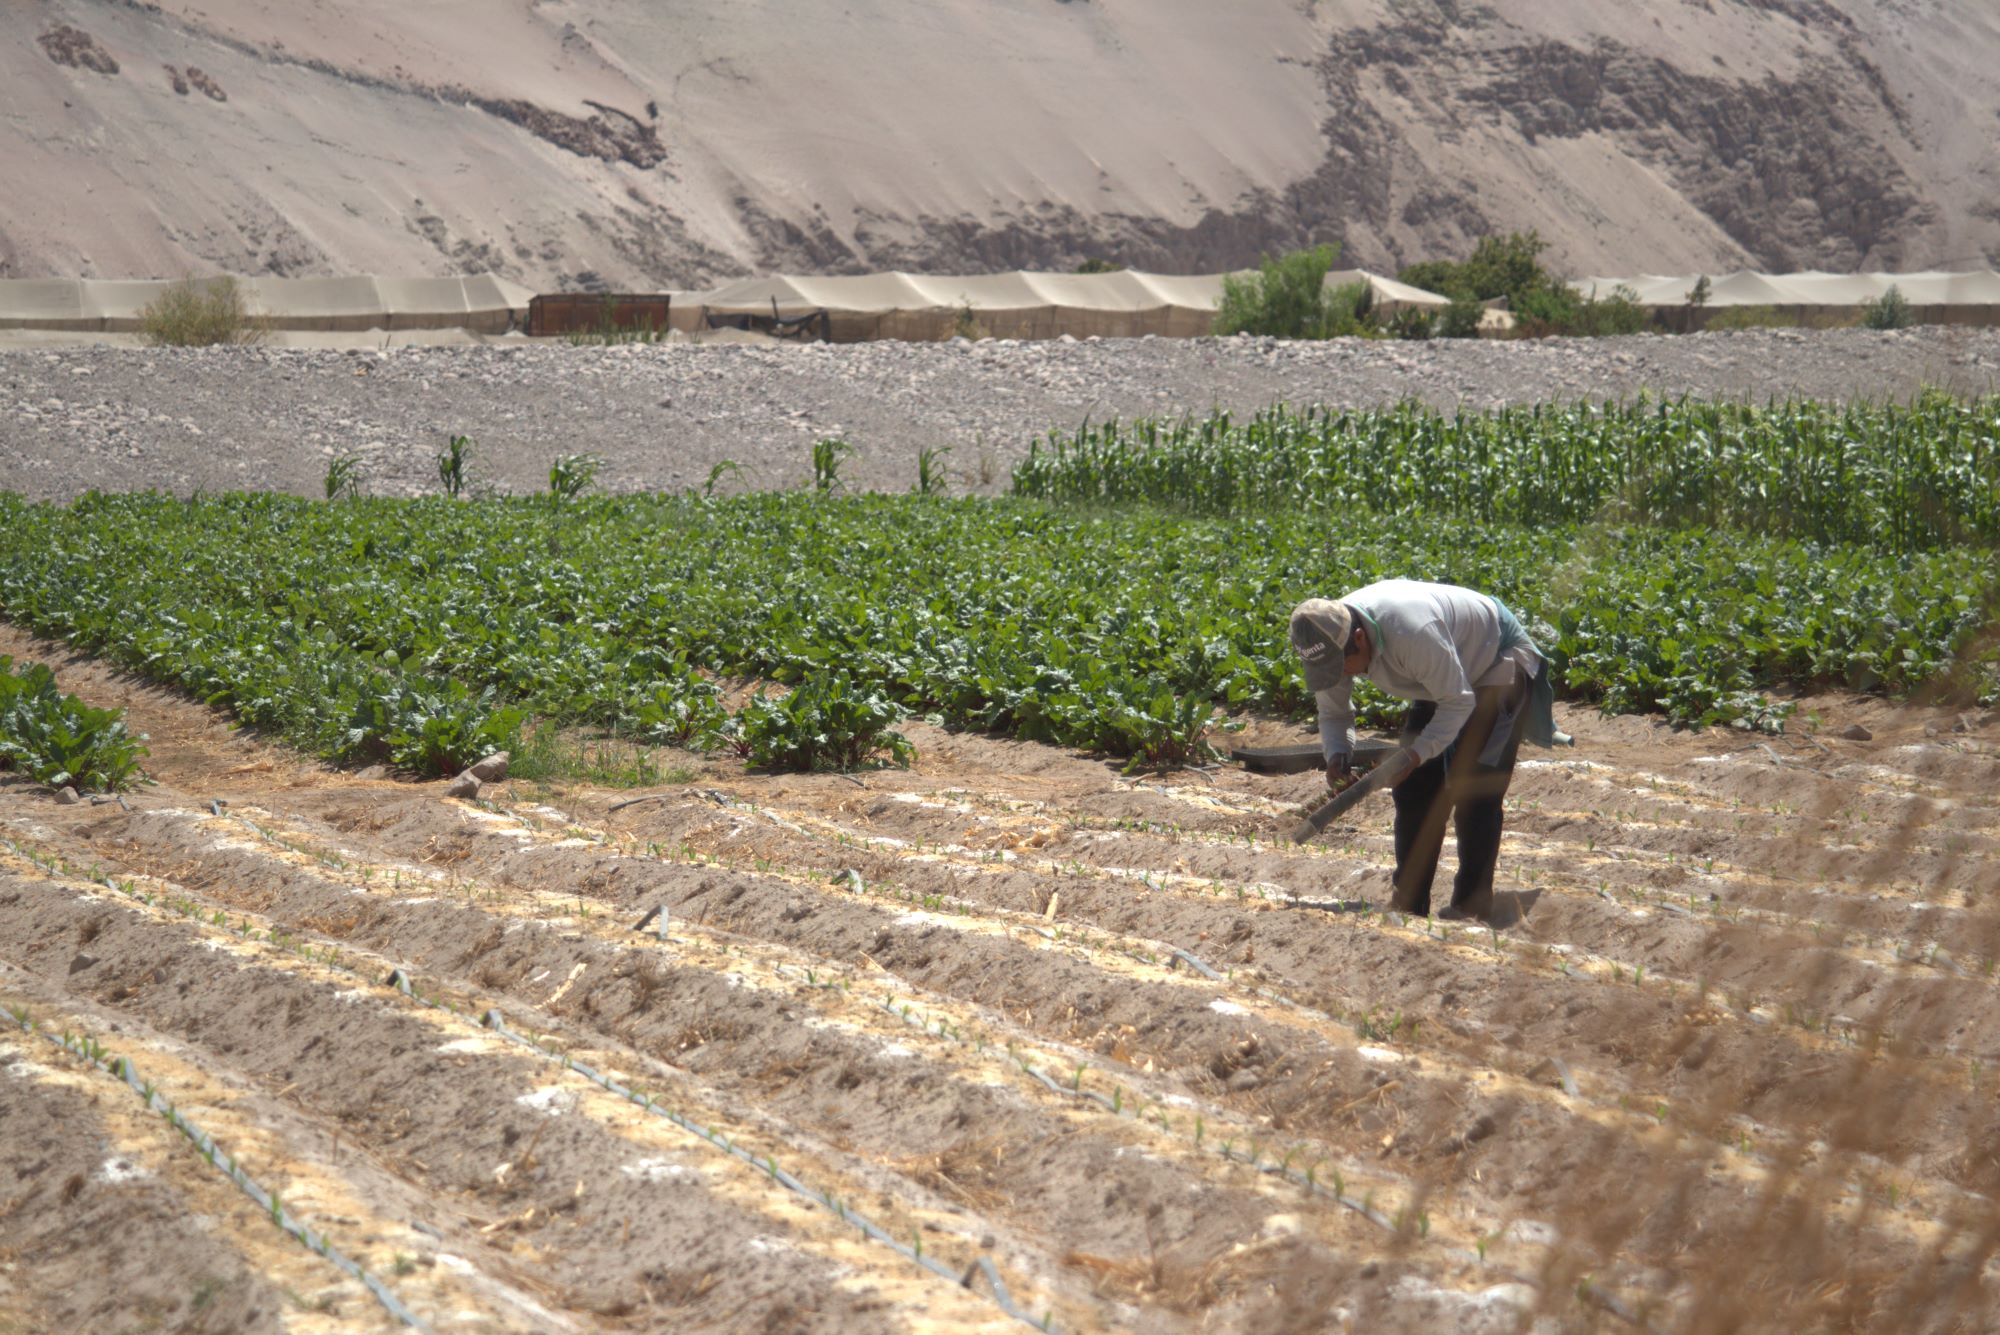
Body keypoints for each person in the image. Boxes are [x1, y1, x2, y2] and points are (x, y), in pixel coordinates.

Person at [1288, 580, 1561, 922]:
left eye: (1342, 666)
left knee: (1473, 787)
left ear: (1358, 638)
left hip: (1495, 662)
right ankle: (1410, 901)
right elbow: (1334, 713)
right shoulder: (1328, 642)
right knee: (1414, 789)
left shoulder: (1413, 633)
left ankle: (1471, 906)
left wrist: (1415, 754)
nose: (1339, 675)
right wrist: (1338, 753)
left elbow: (1458, 702)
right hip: (1445, 676)